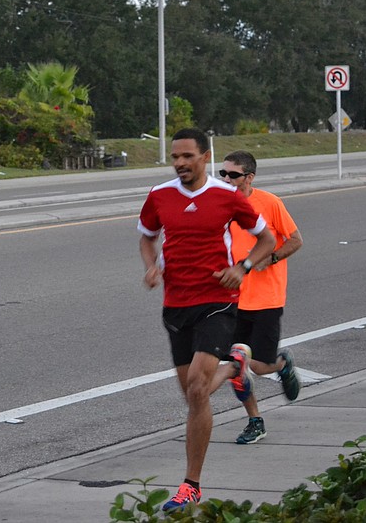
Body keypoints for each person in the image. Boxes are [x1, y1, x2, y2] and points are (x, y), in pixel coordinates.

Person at [137, 128, 275, 511]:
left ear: (205, 156)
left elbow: (267, 240)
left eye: (187, 156)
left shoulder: (226, 195)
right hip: (175, 304)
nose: (180, 163)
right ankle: (236, 367)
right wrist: (151, 268)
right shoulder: (159, 196)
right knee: (193, 396)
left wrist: (242, 267)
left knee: (198, 389)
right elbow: (147, 237)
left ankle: (190, 485)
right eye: (175, 157)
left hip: (217, 300)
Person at [220, 151, 303, 445]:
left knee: (258, 365)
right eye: (223, 174)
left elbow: (296, 239)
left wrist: (274, 257)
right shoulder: (221, 205)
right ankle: (255, 420)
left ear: (249, 178)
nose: (227, 179)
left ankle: (281, 363)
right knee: (236, 365)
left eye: (233, 175)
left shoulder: (270, 203)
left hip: (267, 297)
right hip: (232, 299)